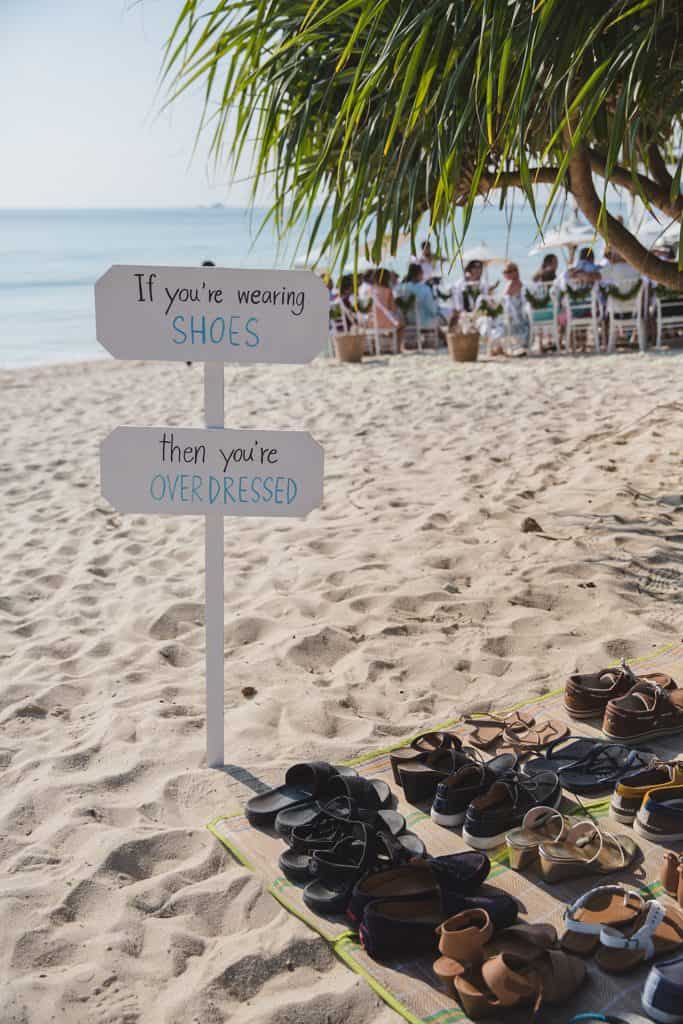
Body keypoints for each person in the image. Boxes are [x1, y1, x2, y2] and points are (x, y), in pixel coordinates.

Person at [396, 263, 441, 347]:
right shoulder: (424, 288)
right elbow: (431, 309)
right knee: (439, 317)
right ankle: (442, 339)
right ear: (419, 274)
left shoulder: (400, 288)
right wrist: (436, 311)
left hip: (406, 320)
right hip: (423, 320)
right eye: (422, 273)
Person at [501, 261, 531, 355]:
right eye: (504, 272)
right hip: (519, 314)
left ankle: (516, 347)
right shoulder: (519, 283)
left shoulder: (512, 284)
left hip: (513, 315)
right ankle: (521, 346)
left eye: (508, 272)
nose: (505, 274)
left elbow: (503, 299)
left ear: (515, 272)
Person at [371, 267, 404, 350]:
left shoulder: (370, 290)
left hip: (371, 321)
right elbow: (393, 308)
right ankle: (397, 348)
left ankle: (377, 346)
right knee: (401, 325)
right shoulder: (388, 291)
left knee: (391, 327)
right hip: (384, 321)